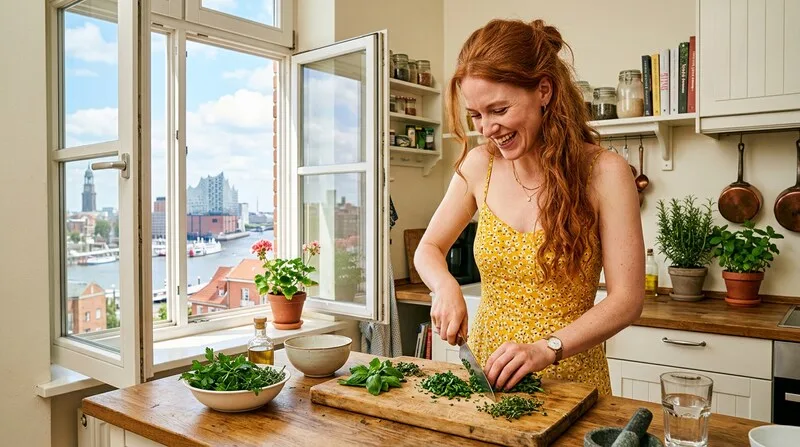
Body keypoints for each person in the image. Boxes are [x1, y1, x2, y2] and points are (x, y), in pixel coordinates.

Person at [413, 18, 644, 396]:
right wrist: (444, 286)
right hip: (487, 382)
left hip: (572, 385)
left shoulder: (605, 173)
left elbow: (627, 301)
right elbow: (428, 248)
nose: (487, 129)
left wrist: (546, 349)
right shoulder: (479, 166)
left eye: (499, 110)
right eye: (476, 115)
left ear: (544, 91)